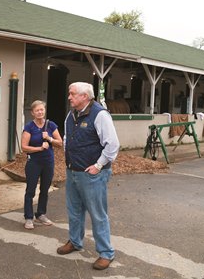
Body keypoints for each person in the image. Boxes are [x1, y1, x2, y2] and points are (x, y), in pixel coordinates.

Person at [57, 82, 120, 271]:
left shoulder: (100, 115)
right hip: (73, 171)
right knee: (74, 211)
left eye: (73, 94)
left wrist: (98, 166)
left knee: (98, 214)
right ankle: (75, 242)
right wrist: (69, 160)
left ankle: (106, 253)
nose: (69, 97)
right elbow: (67, 138)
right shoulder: (71, 114)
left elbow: (112, 145)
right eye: (69, 93)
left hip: (93, 174)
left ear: (85, 96)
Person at [21, 100, 62, 230]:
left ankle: (41, 214)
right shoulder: (29, 127)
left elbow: (60, 143)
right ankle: (28, 217)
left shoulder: (51, 125)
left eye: (42, 110)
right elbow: (24, 147)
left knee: (45, 189)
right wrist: (39, 148)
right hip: (34, 162)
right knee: (30, 190)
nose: (40, 112)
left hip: (48, 162)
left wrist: (49, 139)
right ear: (33, 113)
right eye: (37, 110)